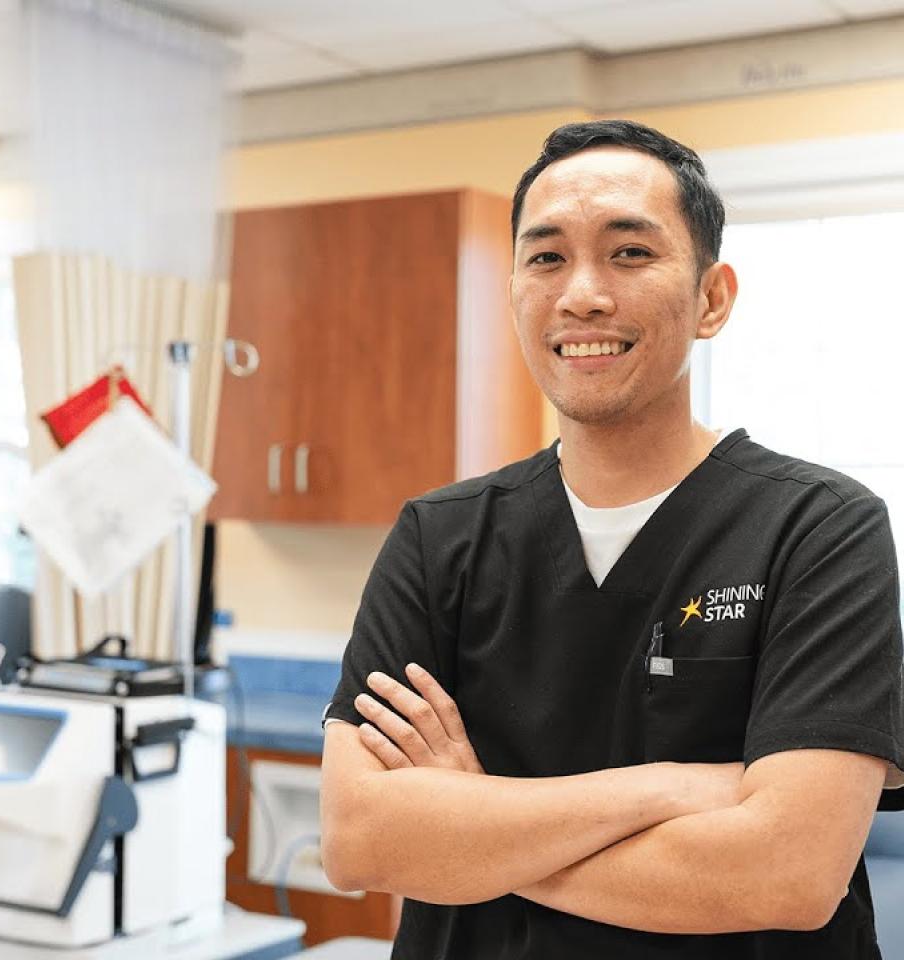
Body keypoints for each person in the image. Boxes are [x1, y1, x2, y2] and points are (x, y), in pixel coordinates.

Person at [319, 119, 904, 959]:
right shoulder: (438, 538)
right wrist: (664, 789)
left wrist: (474, 822)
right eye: (546, 257)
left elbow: (788, 874)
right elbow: (359, 840)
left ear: (712, 299)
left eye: (629, 253)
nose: (582, 294)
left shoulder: (818, 527)